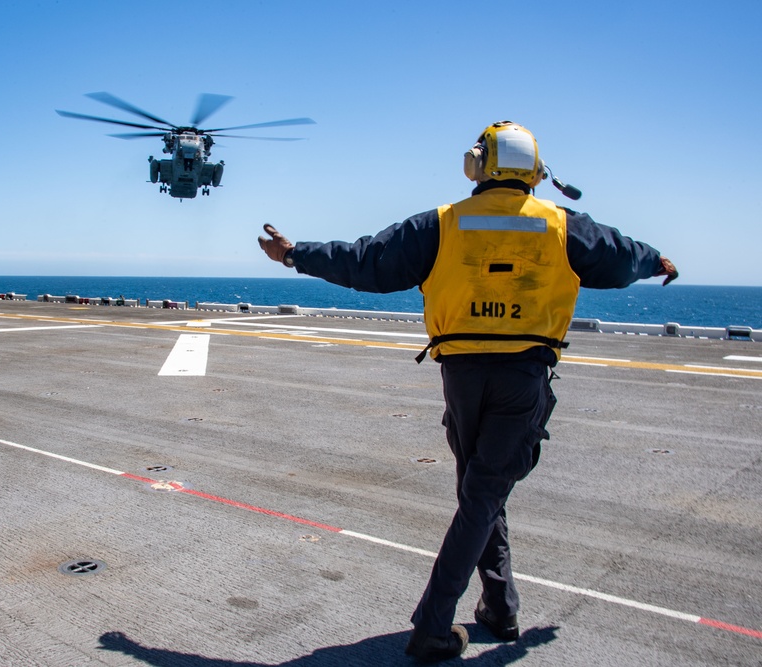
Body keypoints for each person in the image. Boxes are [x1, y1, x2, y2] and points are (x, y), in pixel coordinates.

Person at [257, 120, 678, 663]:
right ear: (534, 172)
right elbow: (622, 257)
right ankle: (434, 625)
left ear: (475, 166)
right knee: (484, 493)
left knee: (480, 491)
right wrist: (657, 260)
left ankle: (499, 606)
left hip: (461, 375)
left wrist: (295, 254)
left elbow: (364, 261)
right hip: (522, 377)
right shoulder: (562, 225)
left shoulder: (442, 224)